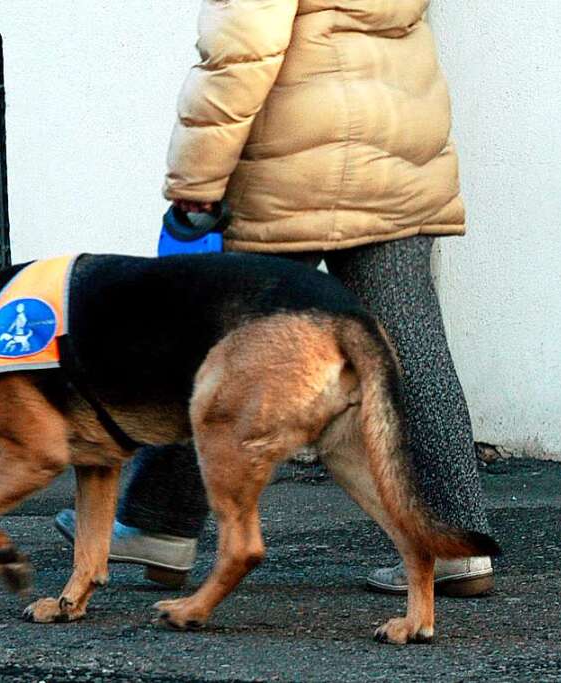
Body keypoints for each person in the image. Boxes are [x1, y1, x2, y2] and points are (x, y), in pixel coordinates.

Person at [55, 0, 494, 596]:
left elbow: (241, 54)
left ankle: (157, 525)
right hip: (397, 157)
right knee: (411, 351)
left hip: (288, 171)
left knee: (213, 350)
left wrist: (195, 187)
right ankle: (453, 541)